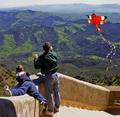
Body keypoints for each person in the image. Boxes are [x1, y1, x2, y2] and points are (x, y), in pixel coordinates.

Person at [33, 42, 60, 116]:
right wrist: (50, 48)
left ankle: (50, 111)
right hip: (56, 75)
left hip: (48, 77)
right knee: (56, 92)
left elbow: (36, 66)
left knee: (50, 93)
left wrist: (35, 58)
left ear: (43, 49)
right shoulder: (54, 54)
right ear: (50, 48)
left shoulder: (43, 57)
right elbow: (51, 50)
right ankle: (57, 107)